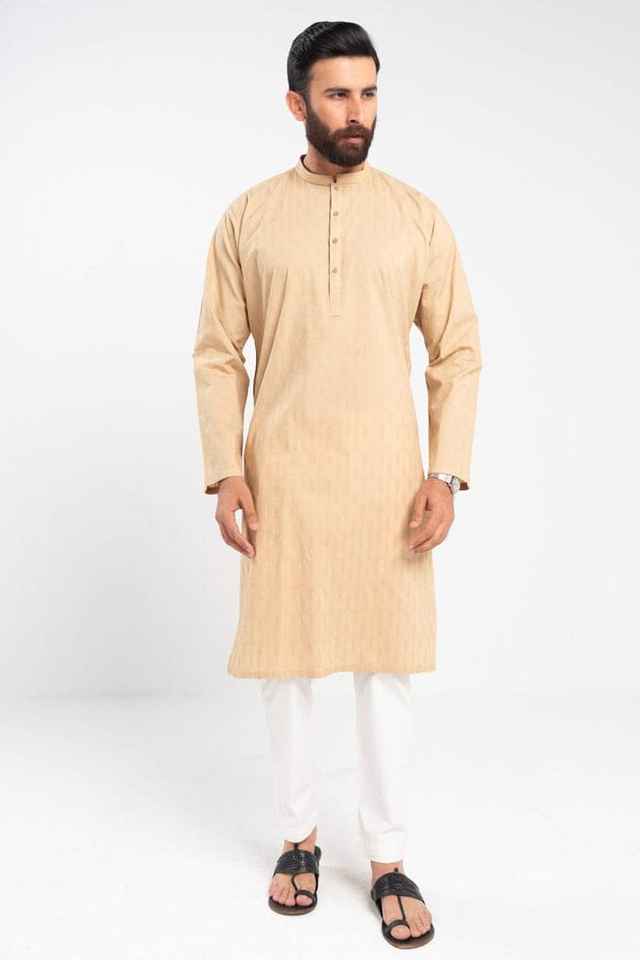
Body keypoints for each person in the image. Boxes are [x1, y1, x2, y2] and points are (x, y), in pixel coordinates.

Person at [192, 20, 482, 949]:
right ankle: (299, 840)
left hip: (388, 483)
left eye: (368, 93)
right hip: (281, 478)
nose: (357, 112)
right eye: (336, 95)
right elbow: (218, 353)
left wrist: (445, 472)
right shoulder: (248, 218)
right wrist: (225, 469)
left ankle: (388, 857)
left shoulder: (416, 216)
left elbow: (456, 351)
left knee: (386, 668)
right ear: (296, 104)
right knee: (286, 668)